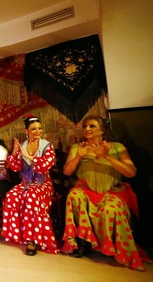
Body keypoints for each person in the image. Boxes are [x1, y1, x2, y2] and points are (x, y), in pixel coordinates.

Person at [62, 115, 149, 271]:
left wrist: (107, 157)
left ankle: (110, 246)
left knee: (110, 210)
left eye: (92, 126)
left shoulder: (117, 147)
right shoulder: (78, 148)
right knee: (74, 196)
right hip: (86, 189)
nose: (87, 129)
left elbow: (131, 172)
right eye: (85, 126)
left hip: (111, 191)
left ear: (102, 130)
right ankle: (82, 243)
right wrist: (79, 157)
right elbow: (67, 171)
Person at [1, 115, 58, 256]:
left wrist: (29, 157)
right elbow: (14, 168)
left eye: (40, 128)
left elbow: (46, 166)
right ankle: (20, 235)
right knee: (12, 195)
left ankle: (33, 240)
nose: (38, 131)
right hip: (26, 183)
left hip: (42, 184)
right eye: (34, 129)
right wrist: (14, 153)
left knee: (31, 195)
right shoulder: (23, 145)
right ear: (27, 131)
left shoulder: (47, 146)